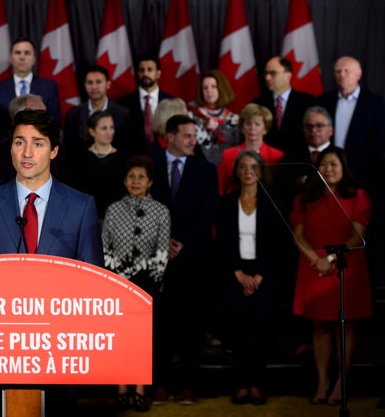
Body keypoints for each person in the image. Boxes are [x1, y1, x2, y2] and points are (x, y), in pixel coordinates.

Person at [0, 109, 103, 416]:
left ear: (53, 150)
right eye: (19, 142)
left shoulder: (81, 206)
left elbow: (94, 286)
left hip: (61, 349)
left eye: (37, 143)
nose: (26, 153)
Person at [291, 146, 372, 406]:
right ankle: (323, 381)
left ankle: (341, 384)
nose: (329, 169)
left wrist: (331, 260)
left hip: (346, 267)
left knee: (344, 325)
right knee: (319, 325)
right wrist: (316, 260)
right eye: (324, 164)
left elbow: (356, 235)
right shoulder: (304, 198)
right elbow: (298, 234)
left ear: (344, 167)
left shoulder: (358, 196)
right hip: (313, 266)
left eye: (334, 164)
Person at [147, 114, 219, 406]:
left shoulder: (204, 169)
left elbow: (209, 212)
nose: (194, 141)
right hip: (156, 260)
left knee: (191, 323)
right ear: (171, 136)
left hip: (192, 259)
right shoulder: (149, 166)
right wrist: (162, 241)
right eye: (188, 136)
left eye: (195, 136)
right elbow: (143, 205)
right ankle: (162, 383)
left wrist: (182, 243)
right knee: (160, 324)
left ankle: (189, 384)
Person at [102, 155, 170, 413]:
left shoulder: (161, 211)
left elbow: (162, 252)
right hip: (117, 281)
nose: (136, 181)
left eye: (141, 177)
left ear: (150, 182)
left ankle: (140, 388)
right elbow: (104, 246)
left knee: (143, 338)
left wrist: (145, 274)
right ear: (124, 180)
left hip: (148, 282)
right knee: (120, 337)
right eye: (131, 176)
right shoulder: (113, 209)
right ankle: (121, 387)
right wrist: (116, 272)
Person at [215, 150, 282, 406]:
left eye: (253, 167)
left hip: (265, 274)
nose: (247, 171)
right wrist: (239, 273)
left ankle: (258, 384)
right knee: (238, 330)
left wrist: (260, 275)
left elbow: (276, 244)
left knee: (261, 330)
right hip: (235, 272)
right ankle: (241, 384)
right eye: (242, 167)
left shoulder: (271, 202)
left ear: (261, 172)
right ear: (237, 172)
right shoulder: (226, 201)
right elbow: (222, 240)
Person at [317, 56, 385, 192]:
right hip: (327, 171)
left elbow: (380, 140)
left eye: (347, 70)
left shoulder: (375, 103)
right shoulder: (324, 100)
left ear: (359, 74)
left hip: (361, 170)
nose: (342, 74)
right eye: (338, 71)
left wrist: (351, 162)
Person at [0, 38, 60, 140]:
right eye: (18, 53)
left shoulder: (49, 87)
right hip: (6, 150)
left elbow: (54, 121)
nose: (22, 57)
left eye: (27, 53)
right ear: (11, 58)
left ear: (34, 59)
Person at [63, 65, 132, 171]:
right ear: (84, 85)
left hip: (115, 172)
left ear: (108, 84)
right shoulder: (73, 115)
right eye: (90, 83)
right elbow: (67, 150)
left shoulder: (122, 114)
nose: (94, 87)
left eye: (98, 82)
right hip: (80, 174)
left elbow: (127, 149)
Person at [252, 56, 316, 153]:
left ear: (288, 76)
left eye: (273, 73)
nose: (267, 77)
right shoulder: (257, 104)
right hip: (267, 162)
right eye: (266, 73)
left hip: (298, 163)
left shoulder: (308, 102)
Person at [70, 111, 127, 219]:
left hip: (116, 218)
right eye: (104, 128)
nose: (109, 132)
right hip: (86, 216)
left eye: (111, 127)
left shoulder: (123, 158)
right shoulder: (81, 157)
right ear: (91, 131)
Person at [217, 103, 284, 195]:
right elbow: (220, 188)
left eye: (257, 124)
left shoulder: (277, 156)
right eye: (248, 124)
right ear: (242, 127)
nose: (252, 128)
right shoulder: (228, 154)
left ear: (265, 128)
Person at [118, 54, 174, 150]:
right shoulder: (123, 103)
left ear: (158, 73)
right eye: (141, 70)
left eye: (150, 70)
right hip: (133, 156)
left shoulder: (171, 101)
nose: (145, 74)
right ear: (137, 73)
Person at [189, 69, 240, 165]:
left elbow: (237, 149)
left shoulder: (234, 119)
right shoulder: (192, 117)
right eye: (205, 88)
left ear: (221, 88)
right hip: (200, 168)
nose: (209, 91)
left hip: (228, 168)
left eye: (213, 86)